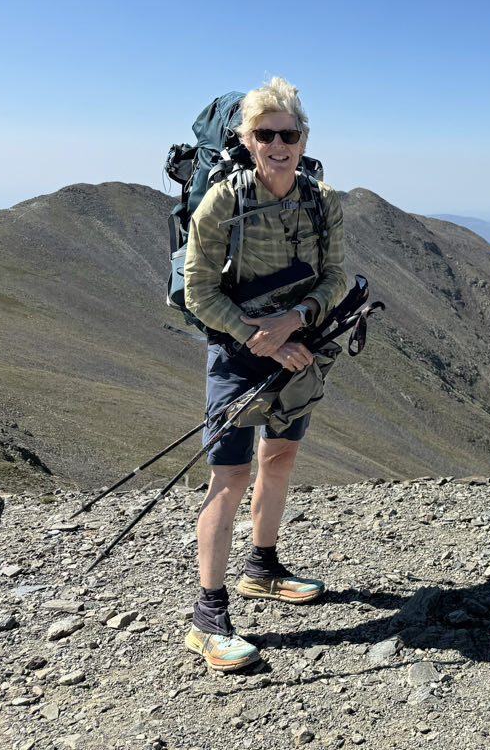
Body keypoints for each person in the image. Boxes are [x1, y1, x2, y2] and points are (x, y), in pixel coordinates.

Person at [181, 76, 346, 671]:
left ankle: (262, 568)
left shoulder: (323, 201)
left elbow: (337, 279)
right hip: (238, 352)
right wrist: (259, 336)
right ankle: (207, 617)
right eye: (265, 133)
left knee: (279, 460)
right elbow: (197, 290)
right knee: (228, 479)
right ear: (248, 140)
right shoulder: (223, 201)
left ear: (304, 140)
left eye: (289, 133)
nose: (278, 143)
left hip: (299, 348)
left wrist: (297, 319)